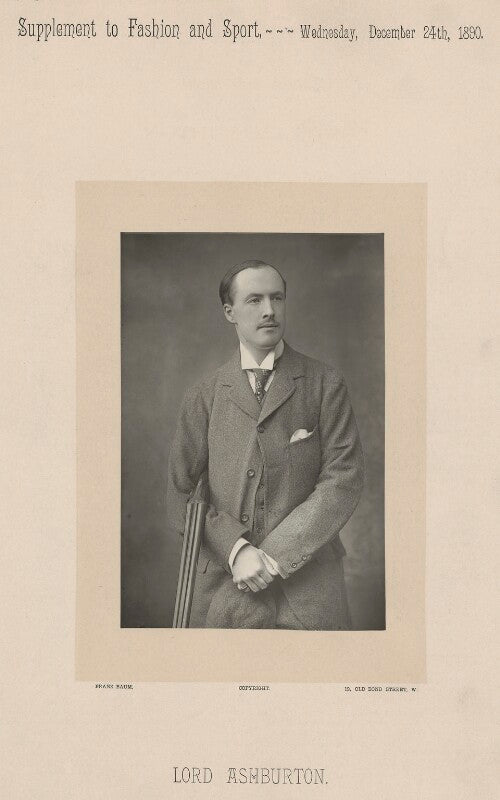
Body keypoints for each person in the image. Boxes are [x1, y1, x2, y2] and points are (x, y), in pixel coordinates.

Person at [166, 259, 364, 629]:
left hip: (309, 595)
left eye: (277, 298)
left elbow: (343, 478)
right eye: (254, 300)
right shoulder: (203, 396)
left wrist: (273, 557)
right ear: (230, 312)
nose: (269, 310)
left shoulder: (325, 384)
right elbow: (182, 494)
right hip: (224, 592)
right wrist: (236, 549)